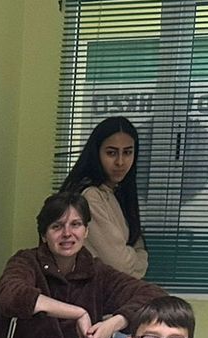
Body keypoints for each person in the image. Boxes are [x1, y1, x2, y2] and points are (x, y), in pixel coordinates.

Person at [0, 191, 164, 338]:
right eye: (57, 226)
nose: (67, 233)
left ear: (85, 232)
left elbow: (155, 297)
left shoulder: (96, 271)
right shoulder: (26, 261)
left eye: (75, 225)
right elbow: (11, 295)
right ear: (44, 235)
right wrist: (78, 313)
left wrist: (113, 325)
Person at [61, 117, 148, 279]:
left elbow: (136, 243)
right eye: (111, 153)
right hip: (90, 296)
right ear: (96, 153)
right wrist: (140, 257)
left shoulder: (116, 191)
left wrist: (135, 253)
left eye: (128, 152)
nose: (120, 162)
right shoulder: (89, 196)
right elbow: (121, 266)